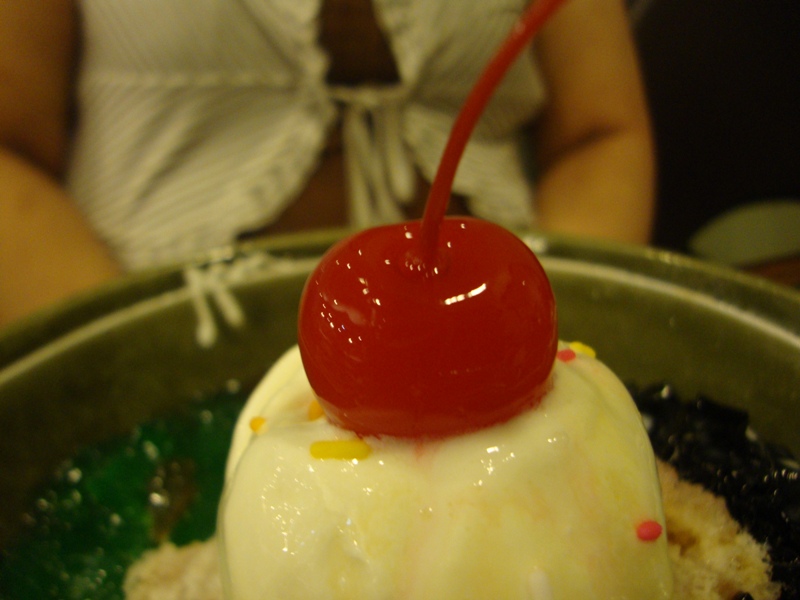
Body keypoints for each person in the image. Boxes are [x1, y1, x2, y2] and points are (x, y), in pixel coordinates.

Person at [0, 0, 654, 328]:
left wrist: (550, 327)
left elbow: (598, 134)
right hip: (158, 358)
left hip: (498, 336)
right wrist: (131, 362)